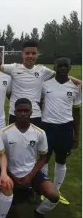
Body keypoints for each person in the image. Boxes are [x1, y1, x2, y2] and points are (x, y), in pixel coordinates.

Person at [0, 40, 81, 128]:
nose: (30, 56)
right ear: (22, 54)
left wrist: (79, 81)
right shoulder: (13, 68)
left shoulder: (42, 70)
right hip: (15, 113)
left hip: (35, 114)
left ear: (37, 54)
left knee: (34, 145)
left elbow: (60, 75)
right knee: (13, 144)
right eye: (27, 53)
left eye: (33, 53)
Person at [1, 98, 60, 218]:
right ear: (14, 112)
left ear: (31, 112)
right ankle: (16, 199)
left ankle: (39, 213)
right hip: (11, 174)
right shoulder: (4, 133)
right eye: (20, 111)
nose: (23, 114)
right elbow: (0, 158)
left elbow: (44, 156)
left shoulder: (39, 133)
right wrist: (11, 176)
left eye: (26, 111)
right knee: (10, 206)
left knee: (53, 195)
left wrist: (30, 175)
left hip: (31, 173)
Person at [40, 56, 81, 205]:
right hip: (47, 127)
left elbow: (77, 112)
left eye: (65, 66)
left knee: (61, 160)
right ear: (54, 67)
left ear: (70, 68)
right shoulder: (45, 85)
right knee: (44, 159)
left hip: (65, 127)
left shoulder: (76, 87)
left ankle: (57, 189)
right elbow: (38, 103)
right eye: (59, 66)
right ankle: (44, 189)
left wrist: (76, 134)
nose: (62, 68)